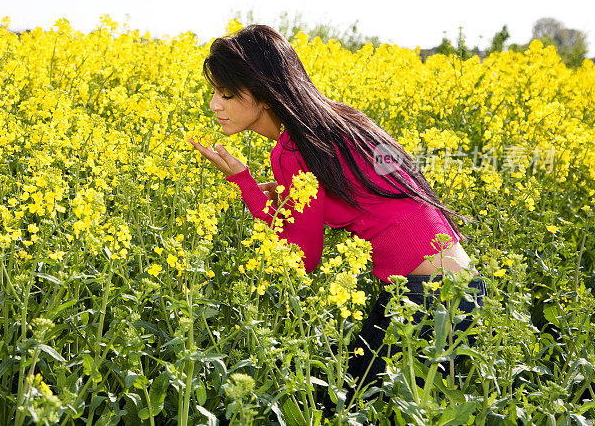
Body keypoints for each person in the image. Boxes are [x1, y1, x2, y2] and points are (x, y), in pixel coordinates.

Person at [187, 24, 486, 410]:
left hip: (427, 298)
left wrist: (243, 182)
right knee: (362, 401)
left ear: (263, 94)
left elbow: (302, 258)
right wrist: (287, 196)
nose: (214, 104)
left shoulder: (294, 149)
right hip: (460, 287)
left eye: (226, 94)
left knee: (344, 406)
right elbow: (382, 191)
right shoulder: (338, 122)